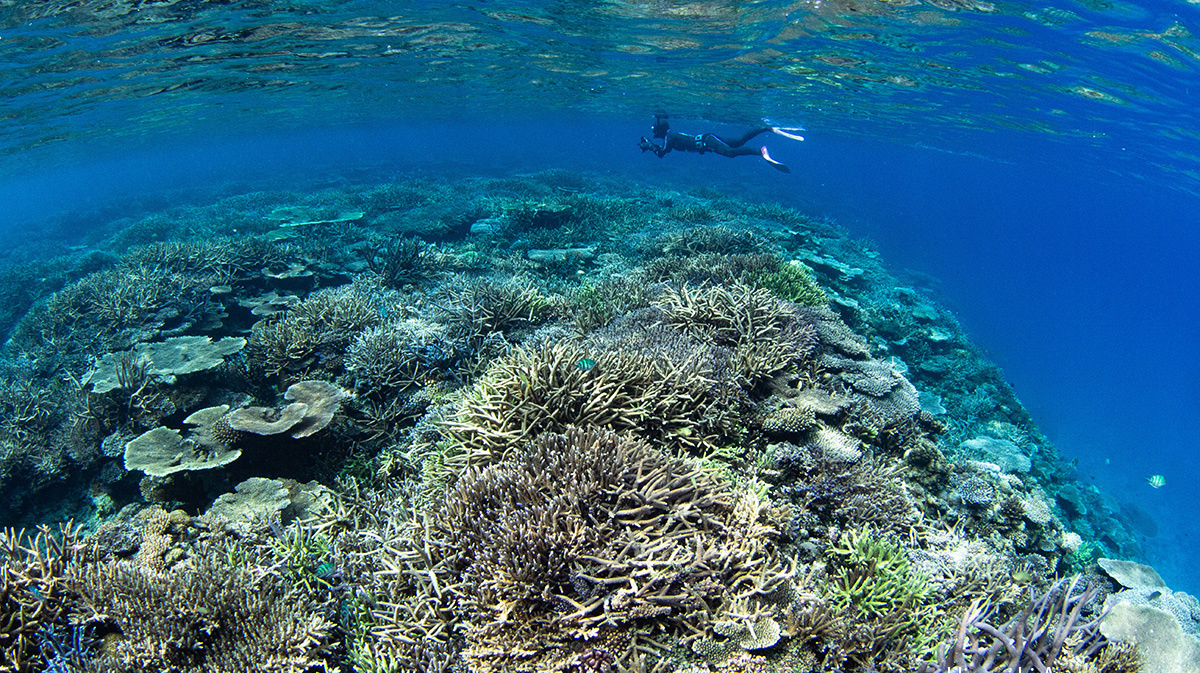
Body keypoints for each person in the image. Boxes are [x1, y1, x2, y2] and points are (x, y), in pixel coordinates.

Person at [637, 115, 800, 173]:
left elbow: (661, 153)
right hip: (708, 139)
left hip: (707, 141)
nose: (654, 133)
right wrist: (651, 145)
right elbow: (663, 150)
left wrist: (649, 146)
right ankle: (765, 129)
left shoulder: (669, 137)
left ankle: (760, 151)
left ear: (660, 130)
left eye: (654, 130)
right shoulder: (669, 136)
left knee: (730, 152)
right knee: (738, 142)